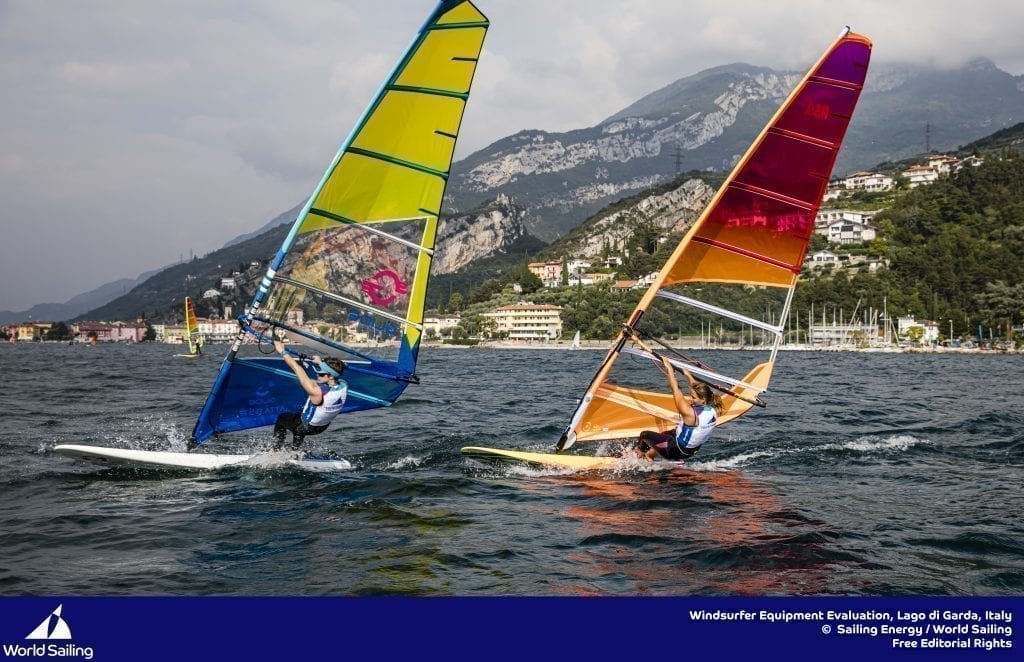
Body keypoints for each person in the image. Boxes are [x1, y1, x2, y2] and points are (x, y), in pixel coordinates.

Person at [637, 356, 725, 461]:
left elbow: (675, 388)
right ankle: (649, 456)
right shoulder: (712, 408)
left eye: (693, 397)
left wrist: (669, 369)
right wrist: (688, 375)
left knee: (644, 435)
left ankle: (638, 457)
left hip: (677, 451)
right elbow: (696, 387)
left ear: (702, 399)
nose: (690, 399)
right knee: (665, 435)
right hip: (692, 450)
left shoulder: (689, 413)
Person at [272, 339, 348, 451]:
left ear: (330, 376)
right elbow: (339, 369)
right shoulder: (344, 385)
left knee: (282, 418)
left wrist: (282, 351)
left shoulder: (316, 391)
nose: (318, 375)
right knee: (300, 415)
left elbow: (296, 368)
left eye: (321, 374)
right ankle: (294, 450)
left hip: (306, 428)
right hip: (322, 427)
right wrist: (320, 363)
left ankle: (275, 450)